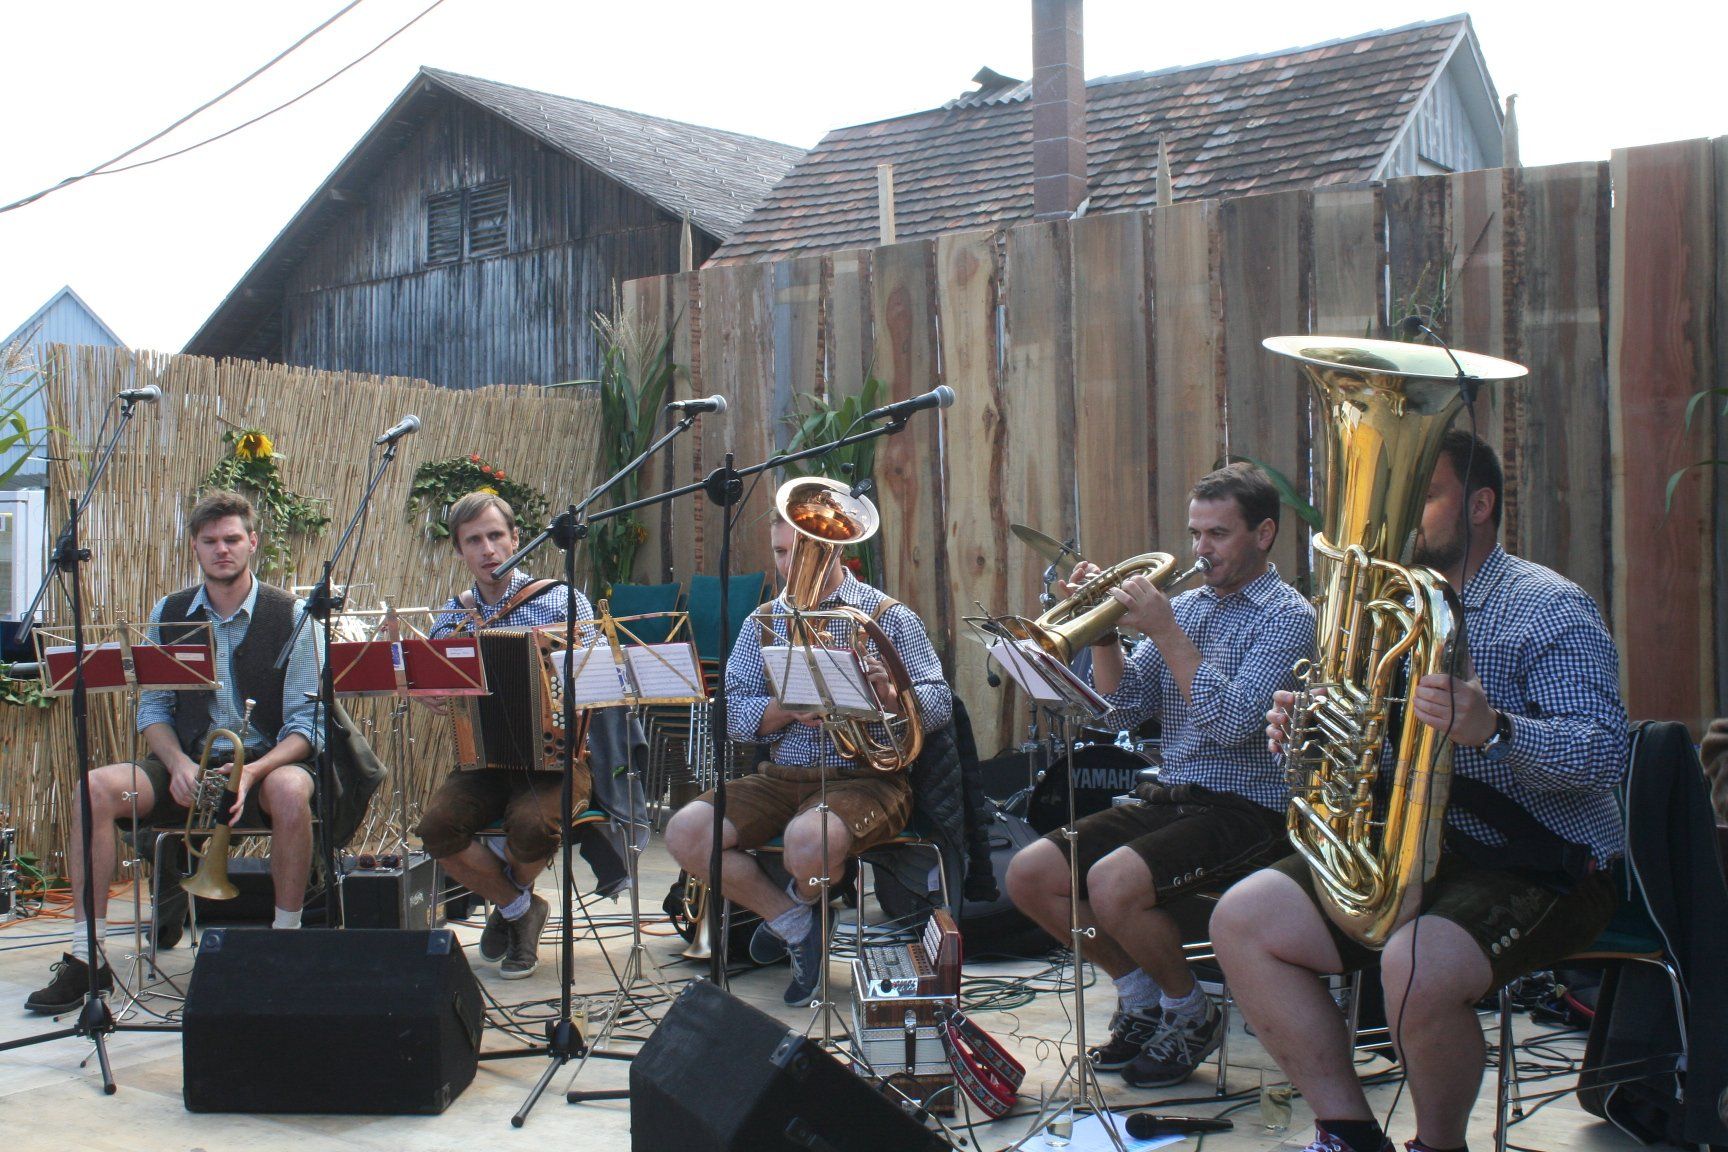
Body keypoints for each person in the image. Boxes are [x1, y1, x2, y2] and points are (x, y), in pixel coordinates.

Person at [1213, 431, 1628, 1152]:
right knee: (1242, 919)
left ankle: (1439, 1145)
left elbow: (1602, 754)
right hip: (1408, 846)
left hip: (1545, 861)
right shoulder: (1378, 607)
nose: (1403, 516)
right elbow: (1350, 751)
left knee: (1413, 966)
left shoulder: (1548, 607)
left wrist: (1495, 729)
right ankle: (1348, 1133)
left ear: (1479, 505)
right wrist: (1309, 729)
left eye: (1425, 496)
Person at [1004, 462, 1315, 1088]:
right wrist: (1103, 632)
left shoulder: (1289, 617)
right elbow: (1120, 709)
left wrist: (1167, 631)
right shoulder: (1190, 606)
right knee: (1030, 875)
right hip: (1173, 796)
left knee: (1113, 883)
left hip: (1249, 806)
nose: (1201, 549)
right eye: (1195, 533)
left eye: (1218, 534)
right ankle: (1142, 996)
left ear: (1264, 534)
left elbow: (1232, 725)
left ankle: (1190, 1011)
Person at [26, 490, 323, 1014]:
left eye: (232, 539)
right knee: (93, 789)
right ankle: (87, 957)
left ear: (252, 542)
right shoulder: (169, 611)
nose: (222, 549)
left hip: (263, 765)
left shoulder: (294, 615)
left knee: (292, 789)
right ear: (195, 547)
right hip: (187, 764)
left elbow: (307, 724)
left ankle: (286, 941)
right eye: (210, 541)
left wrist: (254, 771)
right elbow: (154, 710)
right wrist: (179, 764)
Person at [664, 508, 952, 1006]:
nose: (789, 566)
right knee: (685, 833)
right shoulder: (764, 620)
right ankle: (796, 923)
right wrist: (786, 709)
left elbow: (940, 702)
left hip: (866, 776)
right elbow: (730, 714)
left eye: (801, 553)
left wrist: (890, 694)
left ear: (835, 548)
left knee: (806, 843)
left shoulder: (887, 616)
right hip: (781, 775)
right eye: (780, 553)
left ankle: (797, 910)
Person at [416, 491, 622, 979]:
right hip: (483, 759)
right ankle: (520, 908)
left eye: (495, 536)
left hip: (557, 758)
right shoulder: (453, 617)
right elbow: (428, 679)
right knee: (436, 829)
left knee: (533, 828)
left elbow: (606, 679)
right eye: (474, 540)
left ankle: (506, 904)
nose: (487, 549)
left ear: (516, 539)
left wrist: (562, 684)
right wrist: (428, 692)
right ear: (459, 550)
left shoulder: (560, 600)